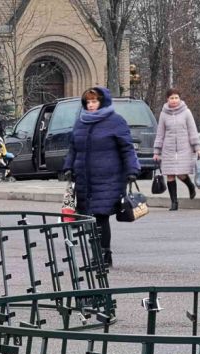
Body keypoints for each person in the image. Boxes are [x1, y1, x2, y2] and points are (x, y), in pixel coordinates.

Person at [62, 86, 140, 268]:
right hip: (84, 178)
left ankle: (103, 255)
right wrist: (68, 167)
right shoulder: (81, 122)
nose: (91, 105)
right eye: (88, 102)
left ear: (102, 102)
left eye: (94, 101)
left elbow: (127, 148)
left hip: (108, 177)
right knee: (89, 217)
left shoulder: (116, 121)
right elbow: (73, 148)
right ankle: (98, 254)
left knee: (100, 216)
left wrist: (132, 170)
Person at [153, 88, 200, 211]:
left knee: (181, 174)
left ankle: (190, 186)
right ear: (167, 99)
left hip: (184, 148)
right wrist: (156, 151)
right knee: (170, 174)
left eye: (176, 98)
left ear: (179, 99)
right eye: (172, 98)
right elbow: (160, 133)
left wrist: (197, 148)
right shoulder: (164, 114)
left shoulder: (186, 112)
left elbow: (192, 130)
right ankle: (174, 202)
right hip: (168, 149)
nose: (174, 100)